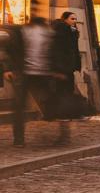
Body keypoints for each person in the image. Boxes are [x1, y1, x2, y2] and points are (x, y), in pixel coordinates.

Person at [2, 10, 72, 147]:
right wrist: (8, 69)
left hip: (39, 74)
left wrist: (58, 70)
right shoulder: (26, 32)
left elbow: (55, 53)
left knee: (48, 103)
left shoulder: (46, 33)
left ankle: (62, 134)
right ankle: (19, 139)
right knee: (21, 106)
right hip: (26, 73)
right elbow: (11, 50)